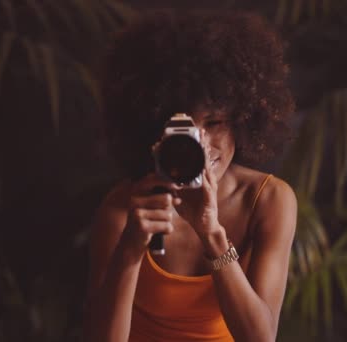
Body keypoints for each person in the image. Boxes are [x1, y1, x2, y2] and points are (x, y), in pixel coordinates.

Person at [84, 8, 297, 342]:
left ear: (241, 122)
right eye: (182, 126)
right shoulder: (124, 209)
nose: (201, 142)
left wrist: (211, 233)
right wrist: (130, 249)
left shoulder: (269, 201)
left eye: (214, 123)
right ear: (154, 130)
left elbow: (260, 338)